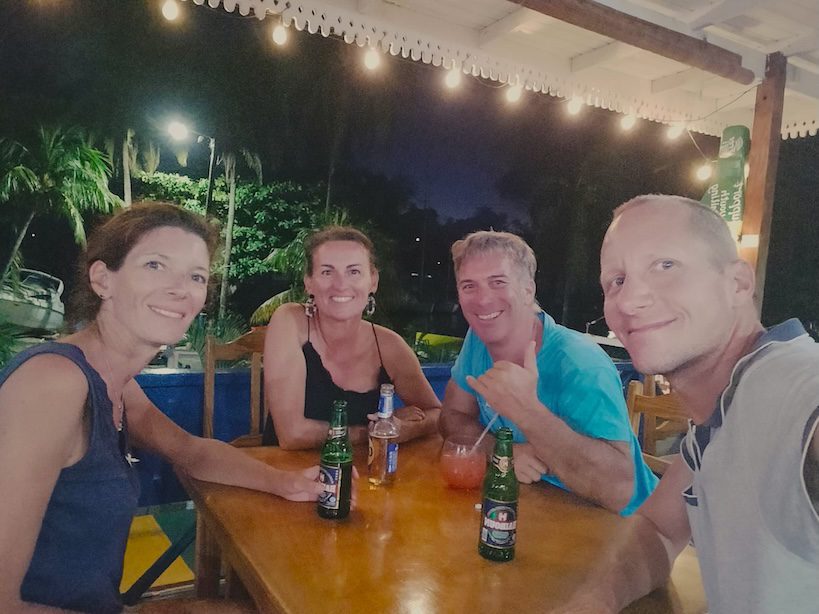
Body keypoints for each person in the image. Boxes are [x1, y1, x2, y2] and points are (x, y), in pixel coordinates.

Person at [0, 202, 325, 614]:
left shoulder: (117, 384)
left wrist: (287, 483)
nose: (181, 289)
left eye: (196, 276)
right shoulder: (53, 383)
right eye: (155, 265)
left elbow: (192, 451)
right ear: (103, 279)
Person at [558, 194, 819, 613]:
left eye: (665, 266)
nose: (628, 301)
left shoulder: (792, 390)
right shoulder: (719, 415)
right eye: (617, 281)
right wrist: (593, 602)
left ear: (737, 284)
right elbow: (658, 531)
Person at [440, 230, 657, 516]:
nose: (483, 300)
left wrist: (528, 413)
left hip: (619, 525)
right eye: (469, 286)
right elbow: (450, 418)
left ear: (528, 289)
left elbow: (620, 490)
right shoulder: (478, 338)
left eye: (498, 282)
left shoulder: (580, 363)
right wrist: (503, 453)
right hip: (531, 508)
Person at [262, 226, 441, 449]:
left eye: (353, 271)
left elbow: (437, 413)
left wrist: (407, 429)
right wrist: (375, 432)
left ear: (373, 281)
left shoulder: (389, 346)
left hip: (358, 475)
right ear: (309, 282)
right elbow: (292, 436)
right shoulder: (290, 321)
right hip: (285, 474)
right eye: (327, 272)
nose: (340, 284)